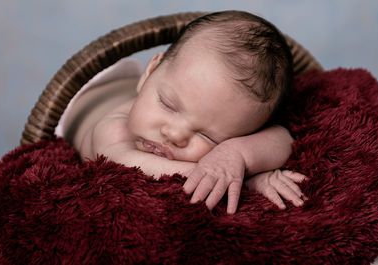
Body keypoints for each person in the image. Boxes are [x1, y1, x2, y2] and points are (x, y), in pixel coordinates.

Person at [59, 10, 307, 214]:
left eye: (208, 136)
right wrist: (247, 180)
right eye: (168, 104)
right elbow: (129, 166)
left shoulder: (218, 120)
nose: (175, 134)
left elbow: (284, 139)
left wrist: (238, 156)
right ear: (150, 72)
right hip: (86, 99)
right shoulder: (112, 131)